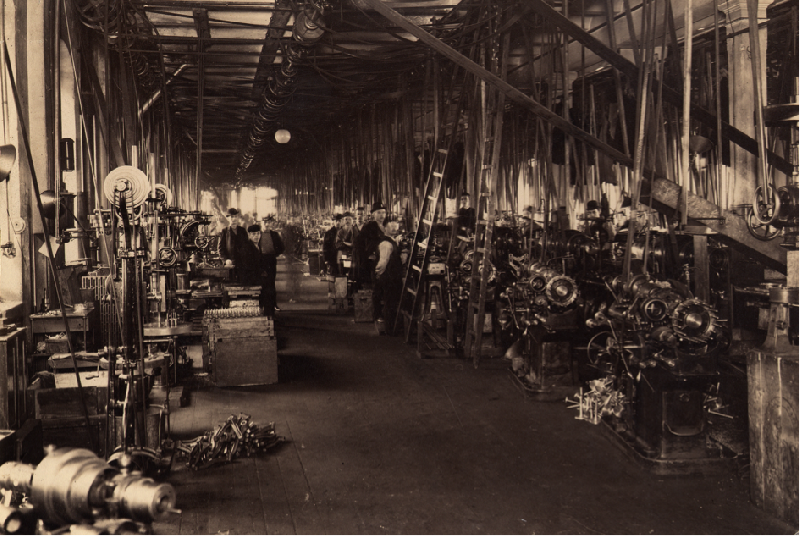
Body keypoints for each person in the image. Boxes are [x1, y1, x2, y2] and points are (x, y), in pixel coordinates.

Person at [373, 219, 403, 334]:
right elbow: (382, 263)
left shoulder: (392, 241)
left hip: (392, 277)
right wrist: (378, 274)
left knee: (391, 303)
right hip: (389, 278)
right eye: (391, 226)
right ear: (384, 228)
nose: (394, 228)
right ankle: (390, 329)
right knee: (390, 303)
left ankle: (392, 328)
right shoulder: (386, 244)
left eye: (396, 226)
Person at [249, 220, 285, 315]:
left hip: (271, 260)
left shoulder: (274, 234)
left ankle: (273, 304)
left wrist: (275, 254)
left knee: (271, 283)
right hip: (261, 260)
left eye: (269, 223)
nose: (267, 225)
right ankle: (262, 305)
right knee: (264, 284)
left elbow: (281, 247)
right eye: (265, 223)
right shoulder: (258, 235)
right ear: (262, 224)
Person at [352, 202, 387, 287]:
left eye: (383, 212)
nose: (381, 215)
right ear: (373, 214)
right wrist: (367, 254)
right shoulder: (368, 227)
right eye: (378, 212)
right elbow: (358, 243)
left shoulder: (387, 226)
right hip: (372, 260)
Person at [218, 208, 250, 282]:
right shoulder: (224, 231)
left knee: (243, 284)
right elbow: (220, 249)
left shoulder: (242, 231)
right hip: (230, 265)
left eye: (236, 216)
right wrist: (225, 260)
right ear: (227, 218)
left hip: (242, 265)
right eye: (232, 217)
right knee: (230, 284)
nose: (234, 219)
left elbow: (247, 247)